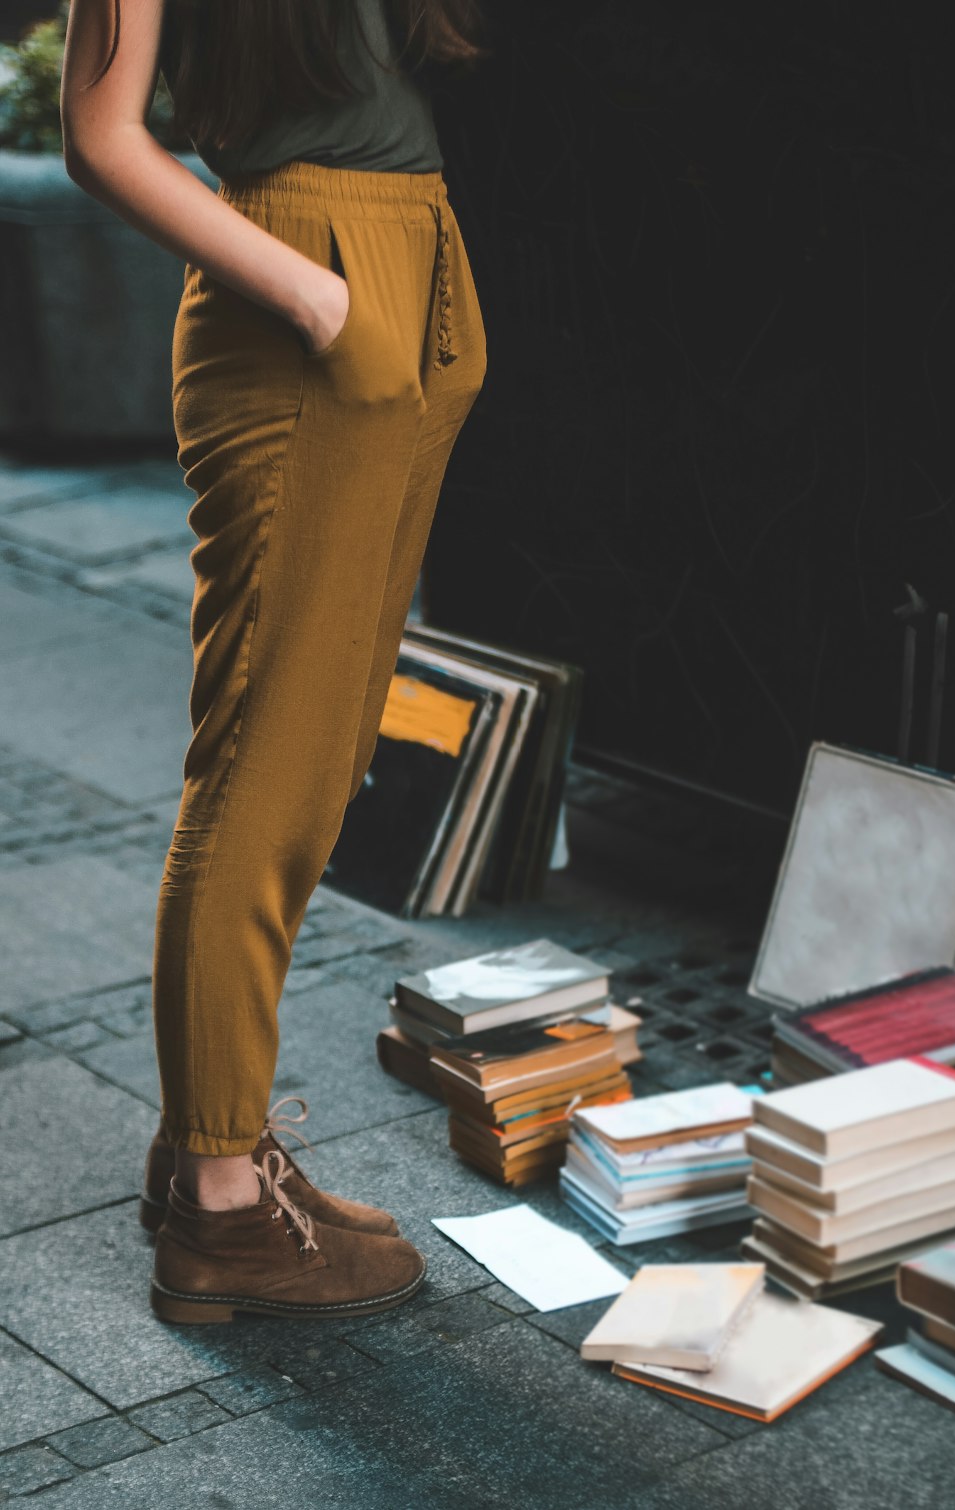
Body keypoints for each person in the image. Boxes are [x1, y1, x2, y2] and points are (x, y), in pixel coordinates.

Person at [60, 0, 488, 1325]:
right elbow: (98, 135)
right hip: (309, 287)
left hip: (404, 272)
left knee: (314, 761)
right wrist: (314, 290)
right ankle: (224, 1214)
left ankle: (214, 1142)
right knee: (262, 767)